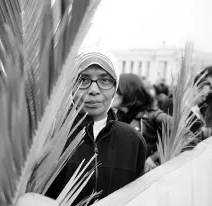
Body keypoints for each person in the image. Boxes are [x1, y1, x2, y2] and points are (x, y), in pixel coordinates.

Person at [46, 47, 146, 204]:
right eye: (83, 80)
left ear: (115, 89)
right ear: (71, 88)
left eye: (105, 80)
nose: (93, 90)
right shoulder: (51, 138)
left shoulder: (132, 140)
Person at [112, 73, 172, 172]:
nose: (111, 94)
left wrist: (155, 157)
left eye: (116, 91)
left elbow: (186, 134)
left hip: (146, 180)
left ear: (128, 92)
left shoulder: (153, 115)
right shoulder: (114, 116)